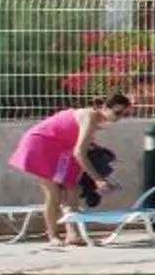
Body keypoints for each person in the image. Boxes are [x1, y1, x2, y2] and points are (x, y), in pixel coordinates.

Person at [10, 90, 132, 247]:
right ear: (104, 107)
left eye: (124, 114)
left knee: (72, 188)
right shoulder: (89, 117)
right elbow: (79, 153)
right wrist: (98, 179)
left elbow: (75, 141)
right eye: (117, 112)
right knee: (53, 193)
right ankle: (53, 235)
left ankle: (72, 234)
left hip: (59, 149)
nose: (119, 117)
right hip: (39, 146)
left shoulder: (94, 119)